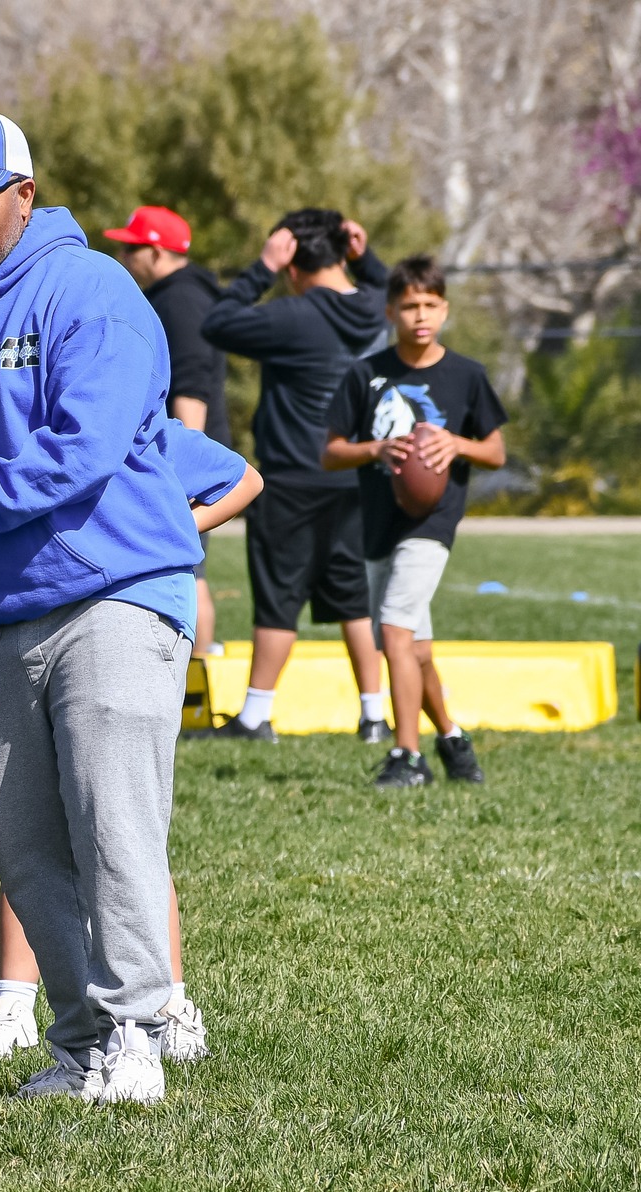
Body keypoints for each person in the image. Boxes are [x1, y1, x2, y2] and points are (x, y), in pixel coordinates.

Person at [0, 107, 206, 1107]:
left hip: (113, 589)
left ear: (24, 194)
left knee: (114, 824)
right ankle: (82, 1044)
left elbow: (86, 445)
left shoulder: (93, 291)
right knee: (19, 840)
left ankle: (142, 1036)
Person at [0, 419, 263, 1067]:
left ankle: (165, 1006)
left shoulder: (139, 429)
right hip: (9, 636)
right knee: (20, 834)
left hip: (113, 629)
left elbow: (242, 478)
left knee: (119, 831)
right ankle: (17, 1004)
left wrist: (167, 532)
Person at [199, 209, 391, 742]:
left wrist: (261, 268)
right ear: (343, 253)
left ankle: (257, 715)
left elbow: (215, 324)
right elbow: (383, 284)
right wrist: (367, 257)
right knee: (352, 595)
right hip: (356, 471)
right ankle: (374, 715)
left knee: (279, 597)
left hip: (292, 475)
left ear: (292, 263)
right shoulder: (377, 308)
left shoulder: (293, 315)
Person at [323, 255, 504, 788]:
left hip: (433, 521)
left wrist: (457, 443)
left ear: (444, 308)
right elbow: (330, 452)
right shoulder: (366, 374)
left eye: (429, 305)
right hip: (380, 523)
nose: (420, 315)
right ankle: (452, 739)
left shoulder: (467, 375)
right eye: (409, 306)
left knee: (397, 631)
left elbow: (495, 450)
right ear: (390, 312)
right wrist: (375, 448)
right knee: (413, 647)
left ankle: (408, 757)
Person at [106, 205, 232, 656]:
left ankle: (194, 688)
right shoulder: (182, 294)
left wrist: (182, 474)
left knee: (185, 569)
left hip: (180, 459)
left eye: (130, 247)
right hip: (175, 454)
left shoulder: (179, 301)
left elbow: (192, 386)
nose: (122, 255)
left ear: (156, 252)